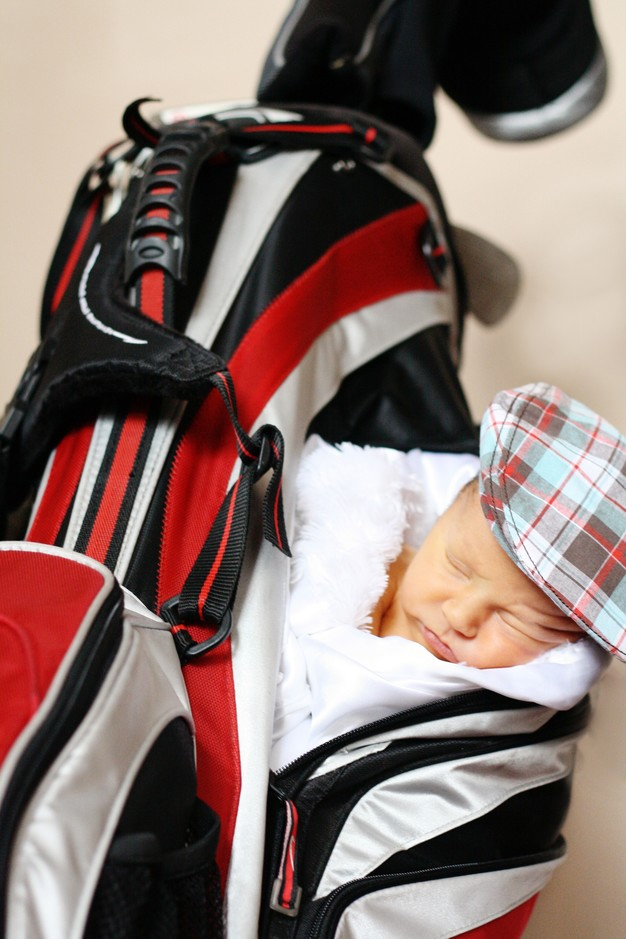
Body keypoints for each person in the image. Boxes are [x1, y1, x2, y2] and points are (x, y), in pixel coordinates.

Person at [271, 383, 622, 769]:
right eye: (457, 566)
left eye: (514, 620)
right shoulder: (349, 543)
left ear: (567, 644)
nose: (459, 615)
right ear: (439, 521)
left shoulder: (476, 734)